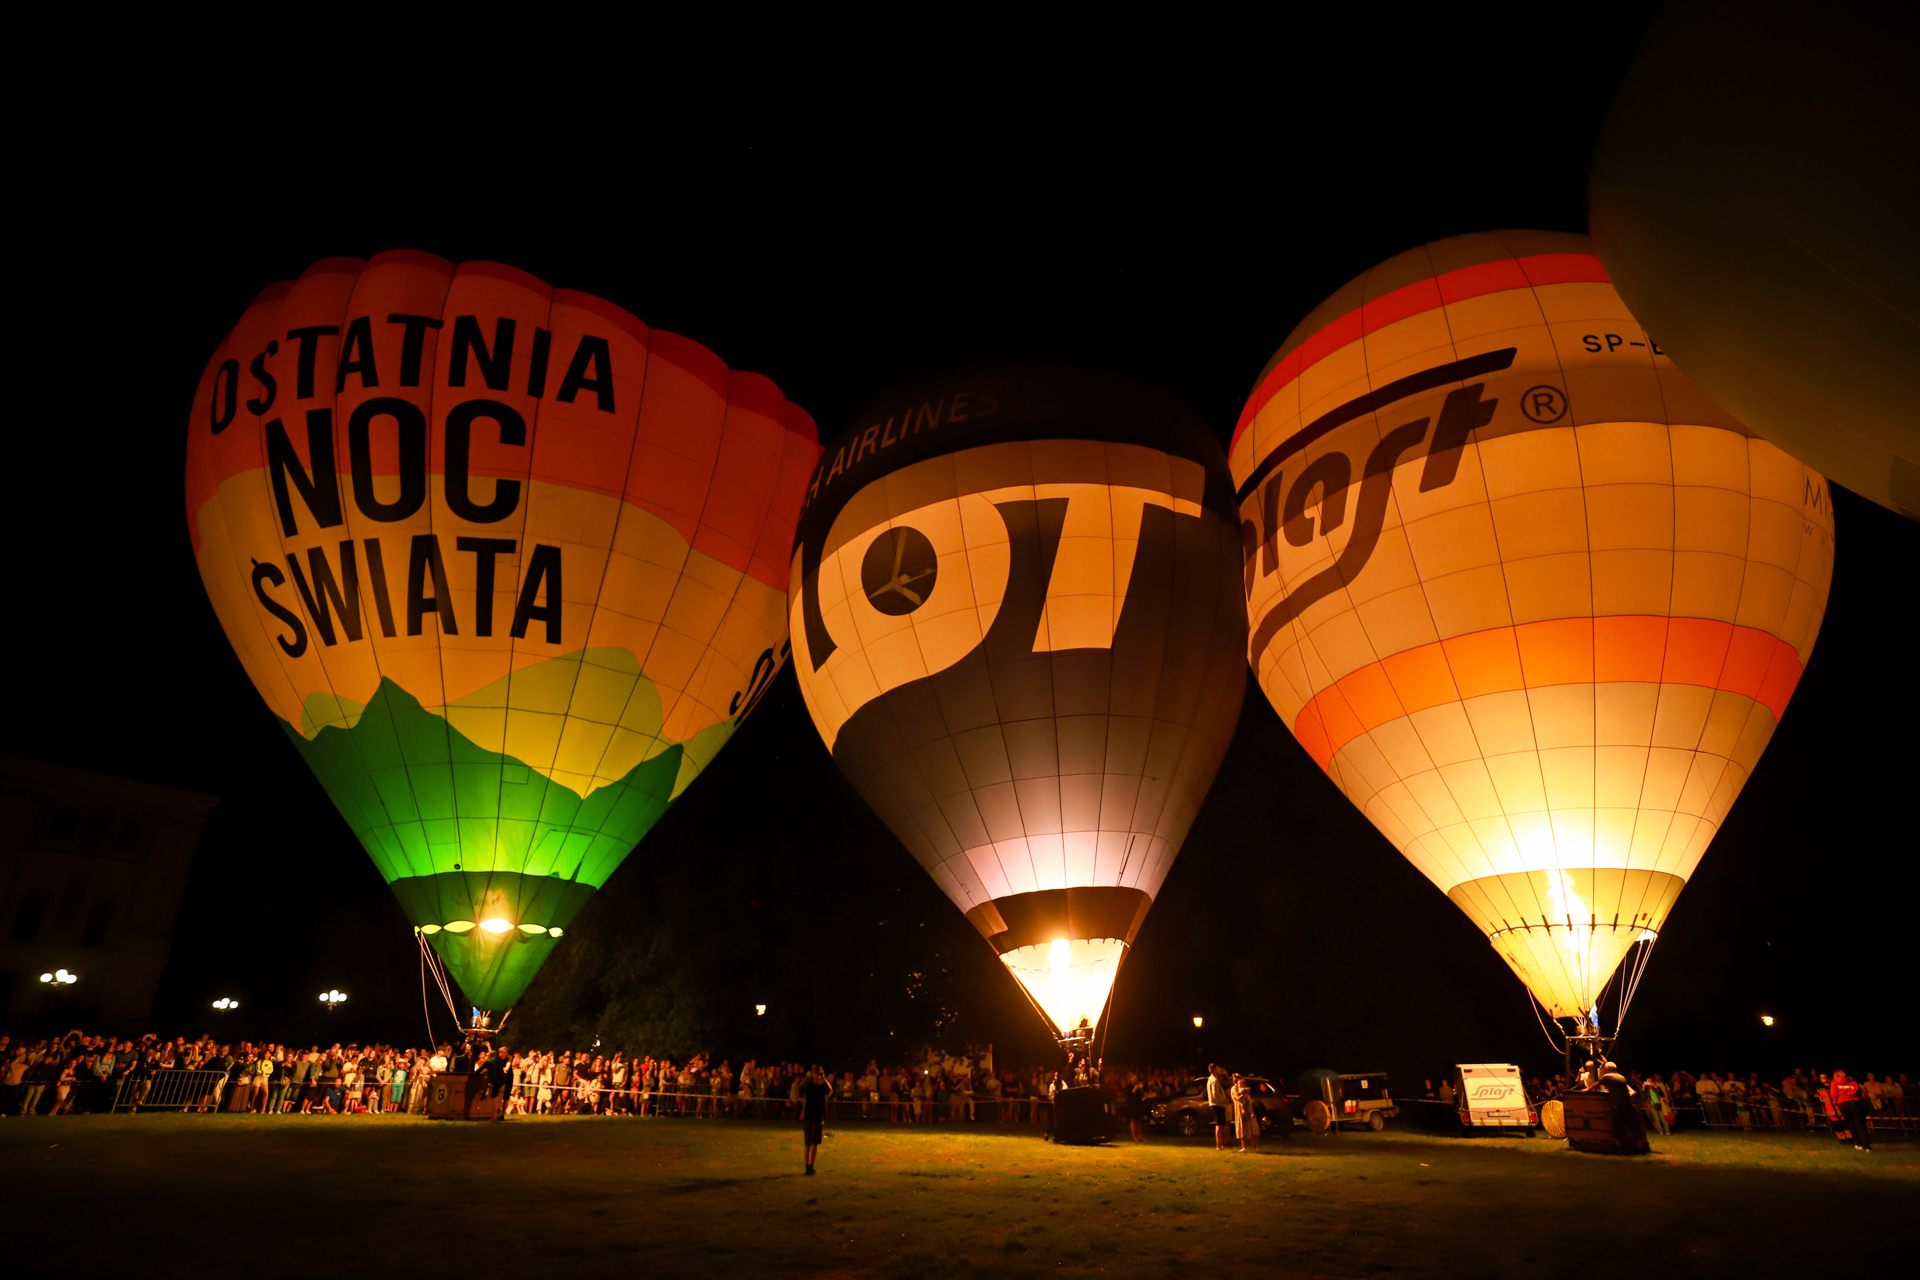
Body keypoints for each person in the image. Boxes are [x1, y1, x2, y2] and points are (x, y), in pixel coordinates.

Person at [800, 1065, 831, 1176]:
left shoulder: (822, 1087)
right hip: (809, 1116)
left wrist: (824, 1078)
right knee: (808, 1143)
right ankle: (807, 1166)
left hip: (818, 1117)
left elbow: (830, 1090)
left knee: (815, 1143)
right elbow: (801, 1085)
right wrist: (809, 1076)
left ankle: (811, 1166)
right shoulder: (809, 1086)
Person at [1831, 1071, 1870, 1151]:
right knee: (1861, 1125)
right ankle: (1867, 1146)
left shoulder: (1834, 1082)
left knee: (1851, 1125)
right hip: (1856, 1102)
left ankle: (1858, 1144)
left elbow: (1834, 1093)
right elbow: (1861, 1093)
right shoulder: (1852, 1082)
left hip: (1843, 1104)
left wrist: (1835, 1102)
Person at [1230, 1072, 1260, 1153]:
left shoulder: (1245, 1088)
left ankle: (1256, 1146)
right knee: (1242, 1127)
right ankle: (1244, 1147)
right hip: (1239, 1109)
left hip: (1248, 1108)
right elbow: (1237, 1098)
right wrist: (1243, 1095)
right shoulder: (1234, 1089)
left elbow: (1248, 1098)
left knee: (1251, 1126)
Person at [1206, 1064, 1231, 1151]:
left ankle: (1220, 1145)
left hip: (1216, 1103)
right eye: (1217, 1068)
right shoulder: (1214, 1080)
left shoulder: (1211, 1079)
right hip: (1217, 1104)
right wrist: (1225, 1099)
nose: (1219, 1070)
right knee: (1219, 1125)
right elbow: (1215, 1094)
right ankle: (1219, 1145)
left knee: (1220, 1124)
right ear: (1214, 1070)